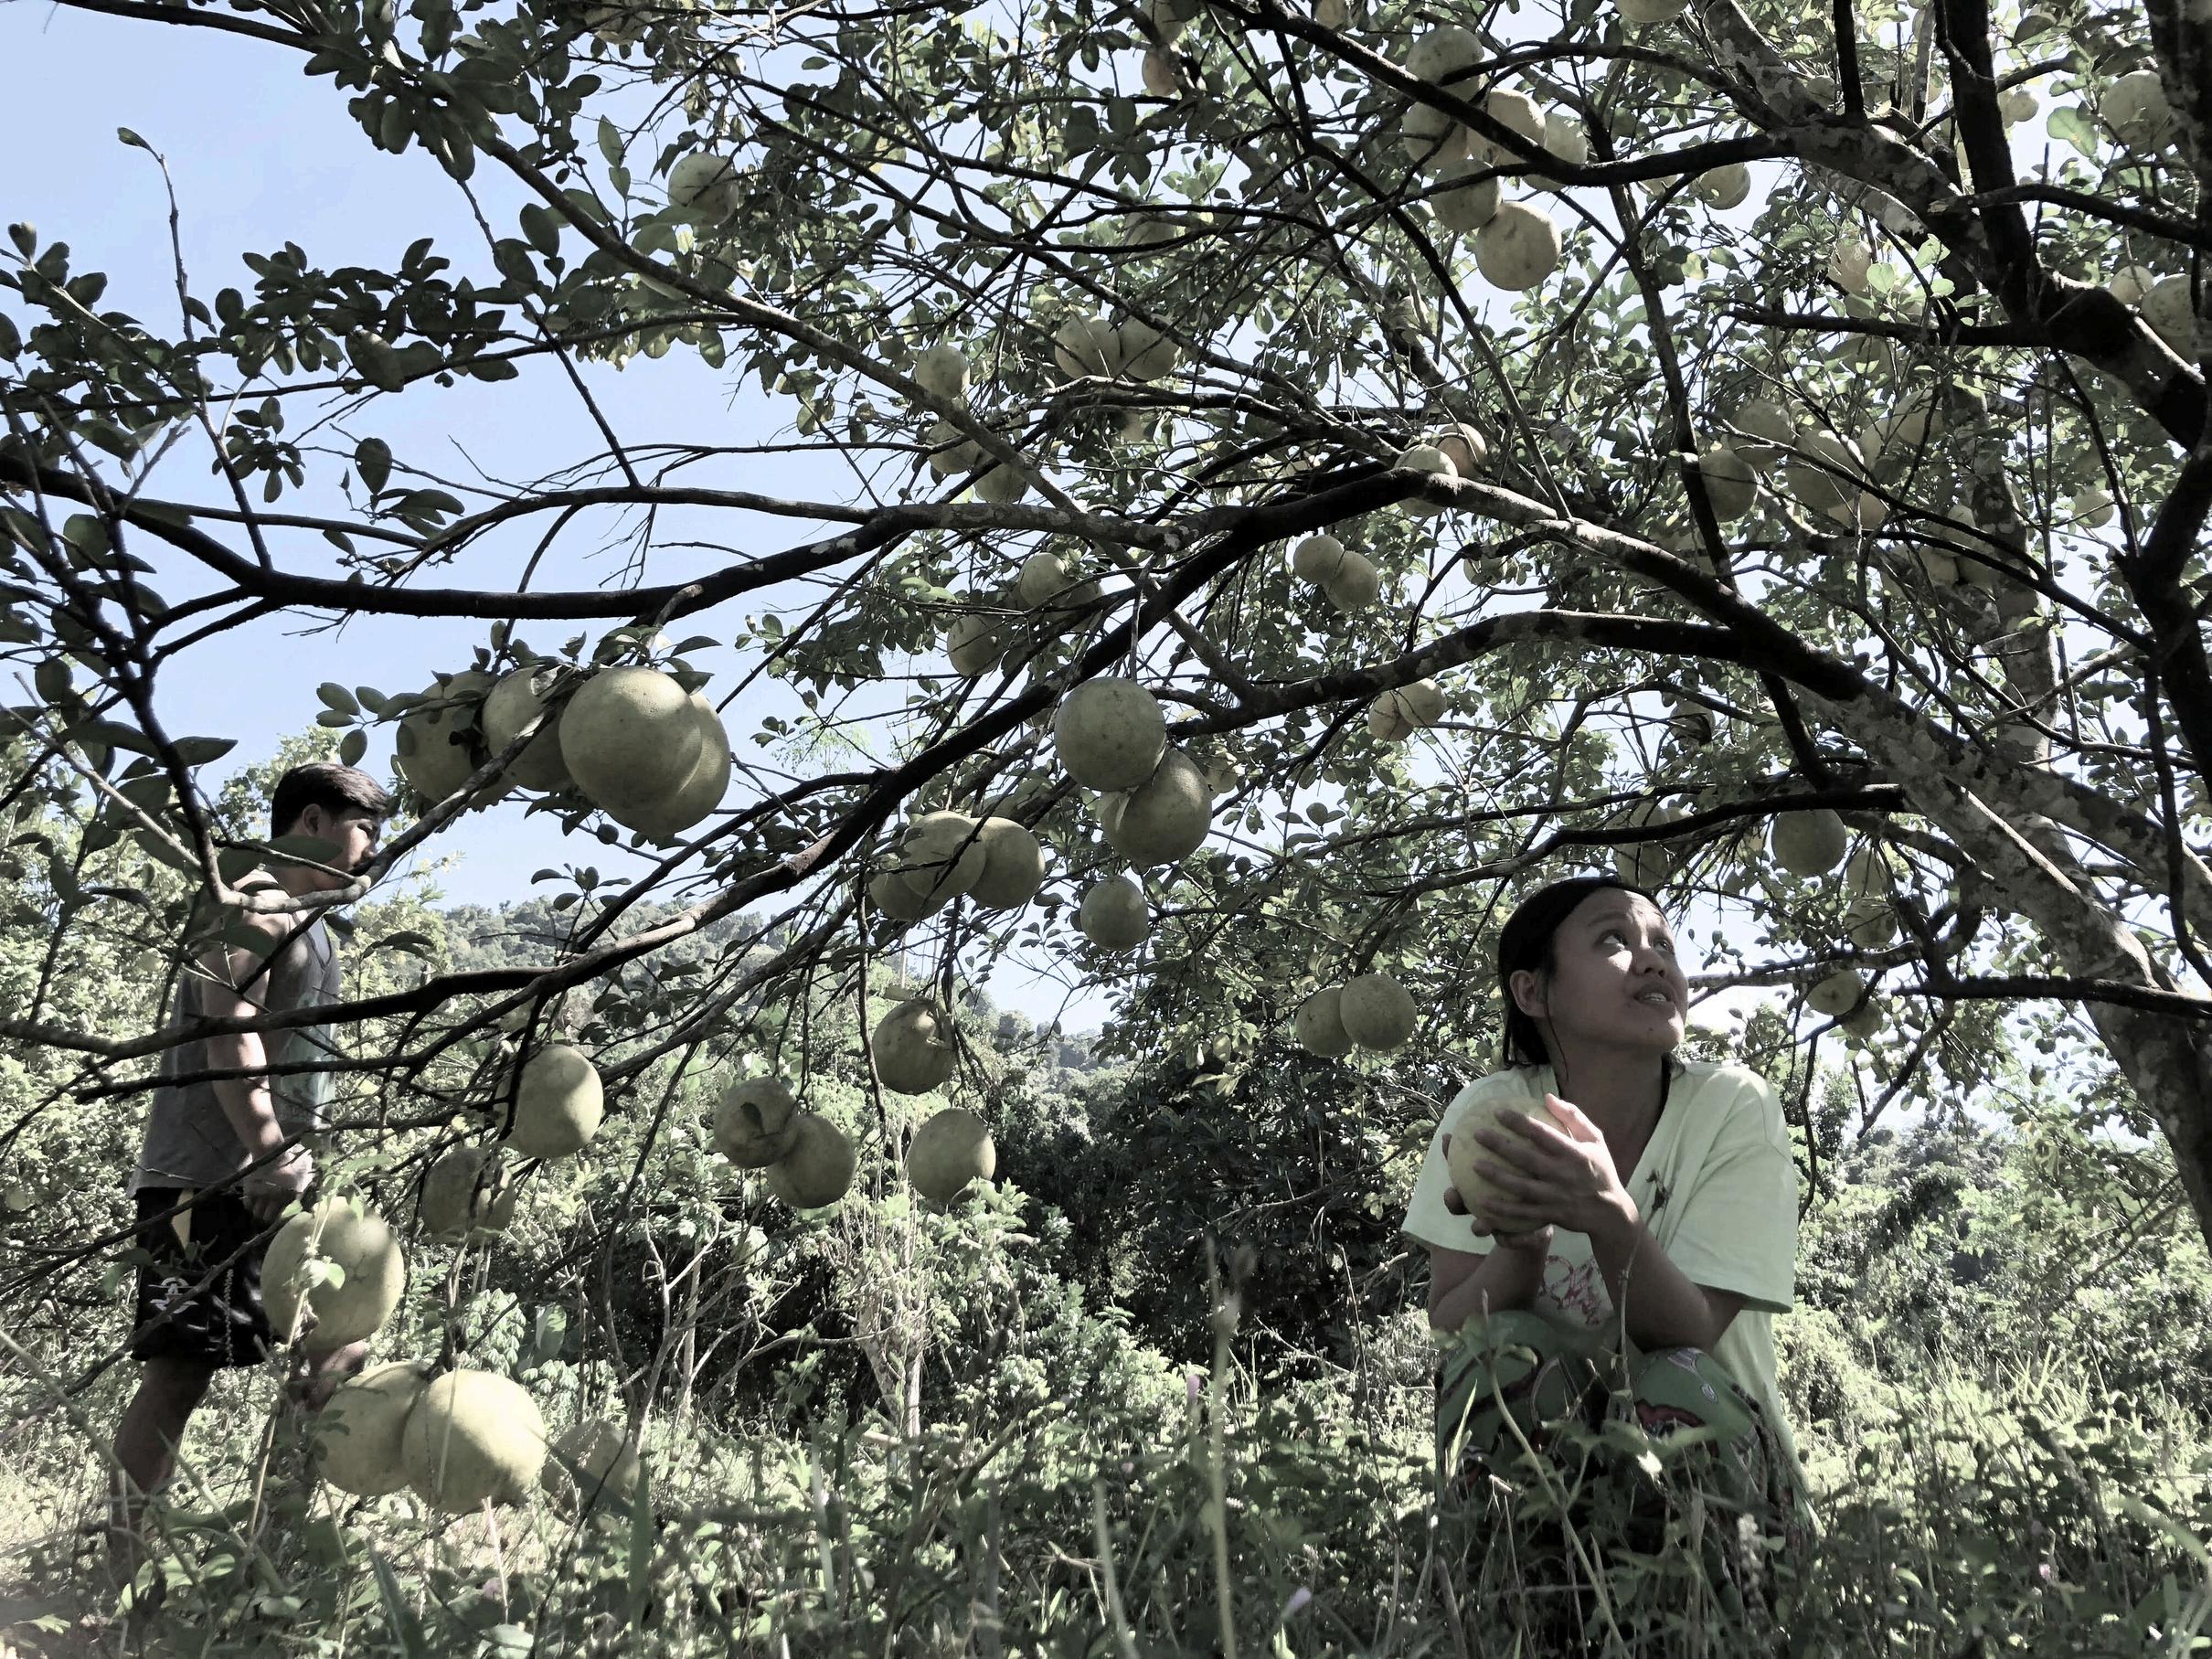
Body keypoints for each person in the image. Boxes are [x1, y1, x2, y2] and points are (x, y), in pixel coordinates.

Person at [1399, 873, 1813, 1626]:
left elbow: (1689, 1331)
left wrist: (1605, 1212)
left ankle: (1731, 1622)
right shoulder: (1492, 1114)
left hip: (1731, 1497)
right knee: (1497, 1350)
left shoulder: (1734, 1104)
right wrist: (1521, 1250)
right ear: (1534, 991)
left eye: (1662, 944)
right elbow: (1455, 1326)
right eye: (1614, 940)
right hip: (1559, 1501)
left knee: (1674, 1377)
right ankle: (1525, 1613)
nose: (1653, 959)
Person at [110, 761, 390, 1553]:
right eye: (364, 828)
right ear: (312, 822)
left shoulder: (310, 923)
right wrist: (269, 1152)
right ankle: (120, 1566)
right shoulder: (254, 907)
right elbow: (227, 1033)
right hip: (209, 1181)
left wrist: (295, 1165)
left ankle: (273, 1549)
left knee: (336, 1346)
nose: (374, 848)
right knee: (180, 1371)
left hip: (284, 1185)